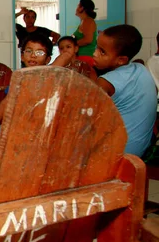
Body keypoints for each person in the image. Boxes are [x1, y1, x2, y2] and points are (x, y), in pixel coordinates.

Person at [59, 25, 156, 157]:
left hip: (119, 154)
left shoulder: (108, 81)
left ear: (121, 60)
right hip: (140, 148)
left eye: (102, 52)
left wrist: (60, 63)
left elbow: (78, 111)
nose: (94, 53)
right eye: (97, 47)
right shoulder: (140, 68)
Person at [0, 33, 53, 145]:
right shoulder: (19, 78)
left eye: (39, 52)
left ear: (48, 59)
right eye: (29, 51)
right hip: (18, 124)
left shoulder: (50, 79)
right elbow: (6, 103)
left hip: (41, 129)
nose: (33, 55)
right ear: (22, 56)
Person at [72, 0, 97, 66]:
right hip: (81, 57)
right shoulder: (84, 21)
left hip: (86, 57)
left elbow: (88, 40)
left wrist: (72, 44)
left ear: (81, 8)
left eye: (78, 6)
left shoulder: (88, 21)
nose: (76, 8)